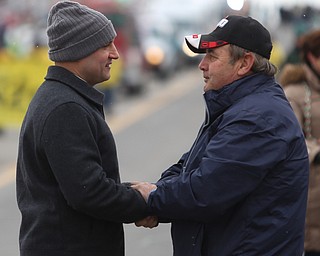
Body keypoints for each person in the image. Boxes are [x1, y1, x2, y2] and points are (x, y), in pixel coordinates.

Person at [132, 15, 309, 255]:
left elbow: (205, 191)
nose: (201, 65)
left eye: (212, 56)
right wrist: (157, 195)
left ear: (244, 64)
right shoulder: (238, 108)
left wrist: (152, 198)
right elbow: (189, 168)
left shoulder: (259, 119)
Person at [16, 1, 148, 256]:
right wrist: (144, 202)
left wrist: (131, 191)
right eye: (105, 45)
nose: (115, 54)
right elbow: (89, 192)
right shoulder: (66, 107)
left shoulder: (61, 97)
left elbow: (81, 183)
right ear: (80, 49)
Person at [280, 29, 320, 256]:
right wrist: (316, 151)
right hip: (311, 190)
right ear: (312, 57)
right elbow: (290, 139)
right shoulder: (294, 93)